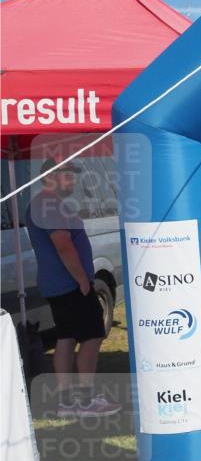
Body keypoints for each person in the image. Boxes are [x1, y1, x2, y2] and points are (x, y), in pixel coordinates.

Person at [26, 159, 119, 418]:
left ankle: (67, 402)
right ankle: (87, 401)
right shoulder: (49, 205)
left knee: (65, 339)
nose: (73, 180)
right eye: (68, 175)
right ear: (51, 177)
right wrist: (82, 280)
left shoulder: (46, 204)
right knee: (92, 337)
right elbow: (63, 246)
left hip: (58, 284)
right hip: (69, 284)